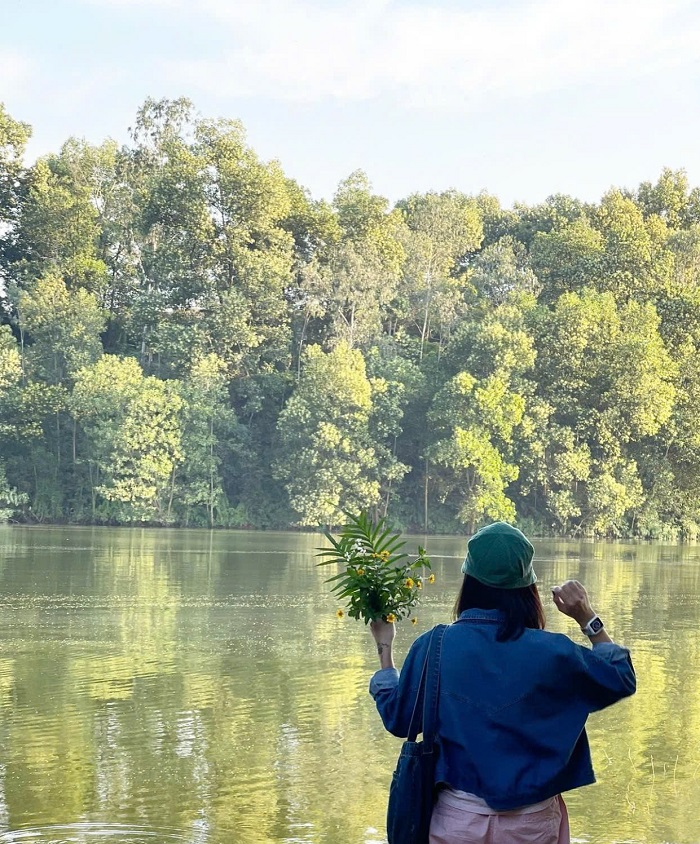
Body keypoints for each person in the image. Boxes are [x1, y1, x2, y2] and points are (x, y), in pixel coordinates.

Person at [369, 522, 636, 844]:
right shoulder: (554, 652)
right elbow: (620, 678)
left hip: (456, 822)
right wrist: (587, 618)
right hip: (532, 826)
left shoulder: (434, 645)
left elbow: (398, 718)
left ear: (468, 581)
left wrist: (385, 649)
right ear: (528, 588)